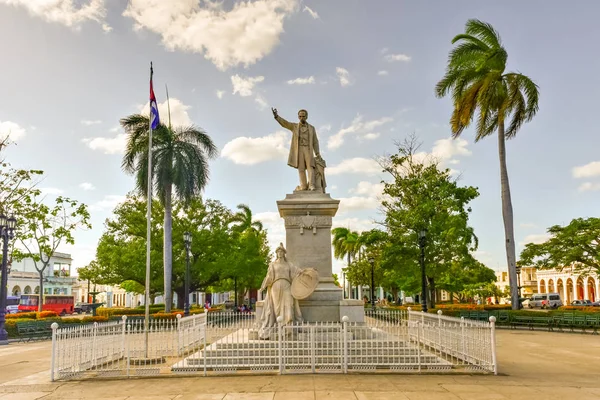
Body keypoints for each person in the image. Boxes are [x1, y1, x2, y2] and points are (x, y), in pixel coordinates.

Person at [258, 243, 303, 339]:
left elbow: (296, 272)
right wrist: (263, 286)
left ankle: (288, 328)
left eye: (281, 251)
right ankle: (279, 327)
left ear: (284, 253)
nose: (280, 253)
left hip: (287, 285)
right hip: (275, 286)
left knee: (289, 305)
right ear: (276, 253)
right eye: (278, 252)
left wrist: (303, 273)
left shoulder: (289, 264)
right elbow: (269, 277)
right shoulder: (272, 264)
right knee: (277, 307)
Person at [272, 108, 321, 191]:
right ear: (298, 117)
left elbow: (315, 141)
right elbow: (285, 124)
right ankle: (304, 186)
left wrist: (317, 153)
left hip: (308, 149)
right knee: (301, 168)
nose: (302, 118)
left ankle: (312, 185)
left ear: (306, 117)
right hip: (299, 150)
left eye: (303, 116)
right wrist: (277, 117)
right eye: (300, 116)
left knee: (310, 167)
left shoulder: (312, 128)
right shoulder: (294, 126)